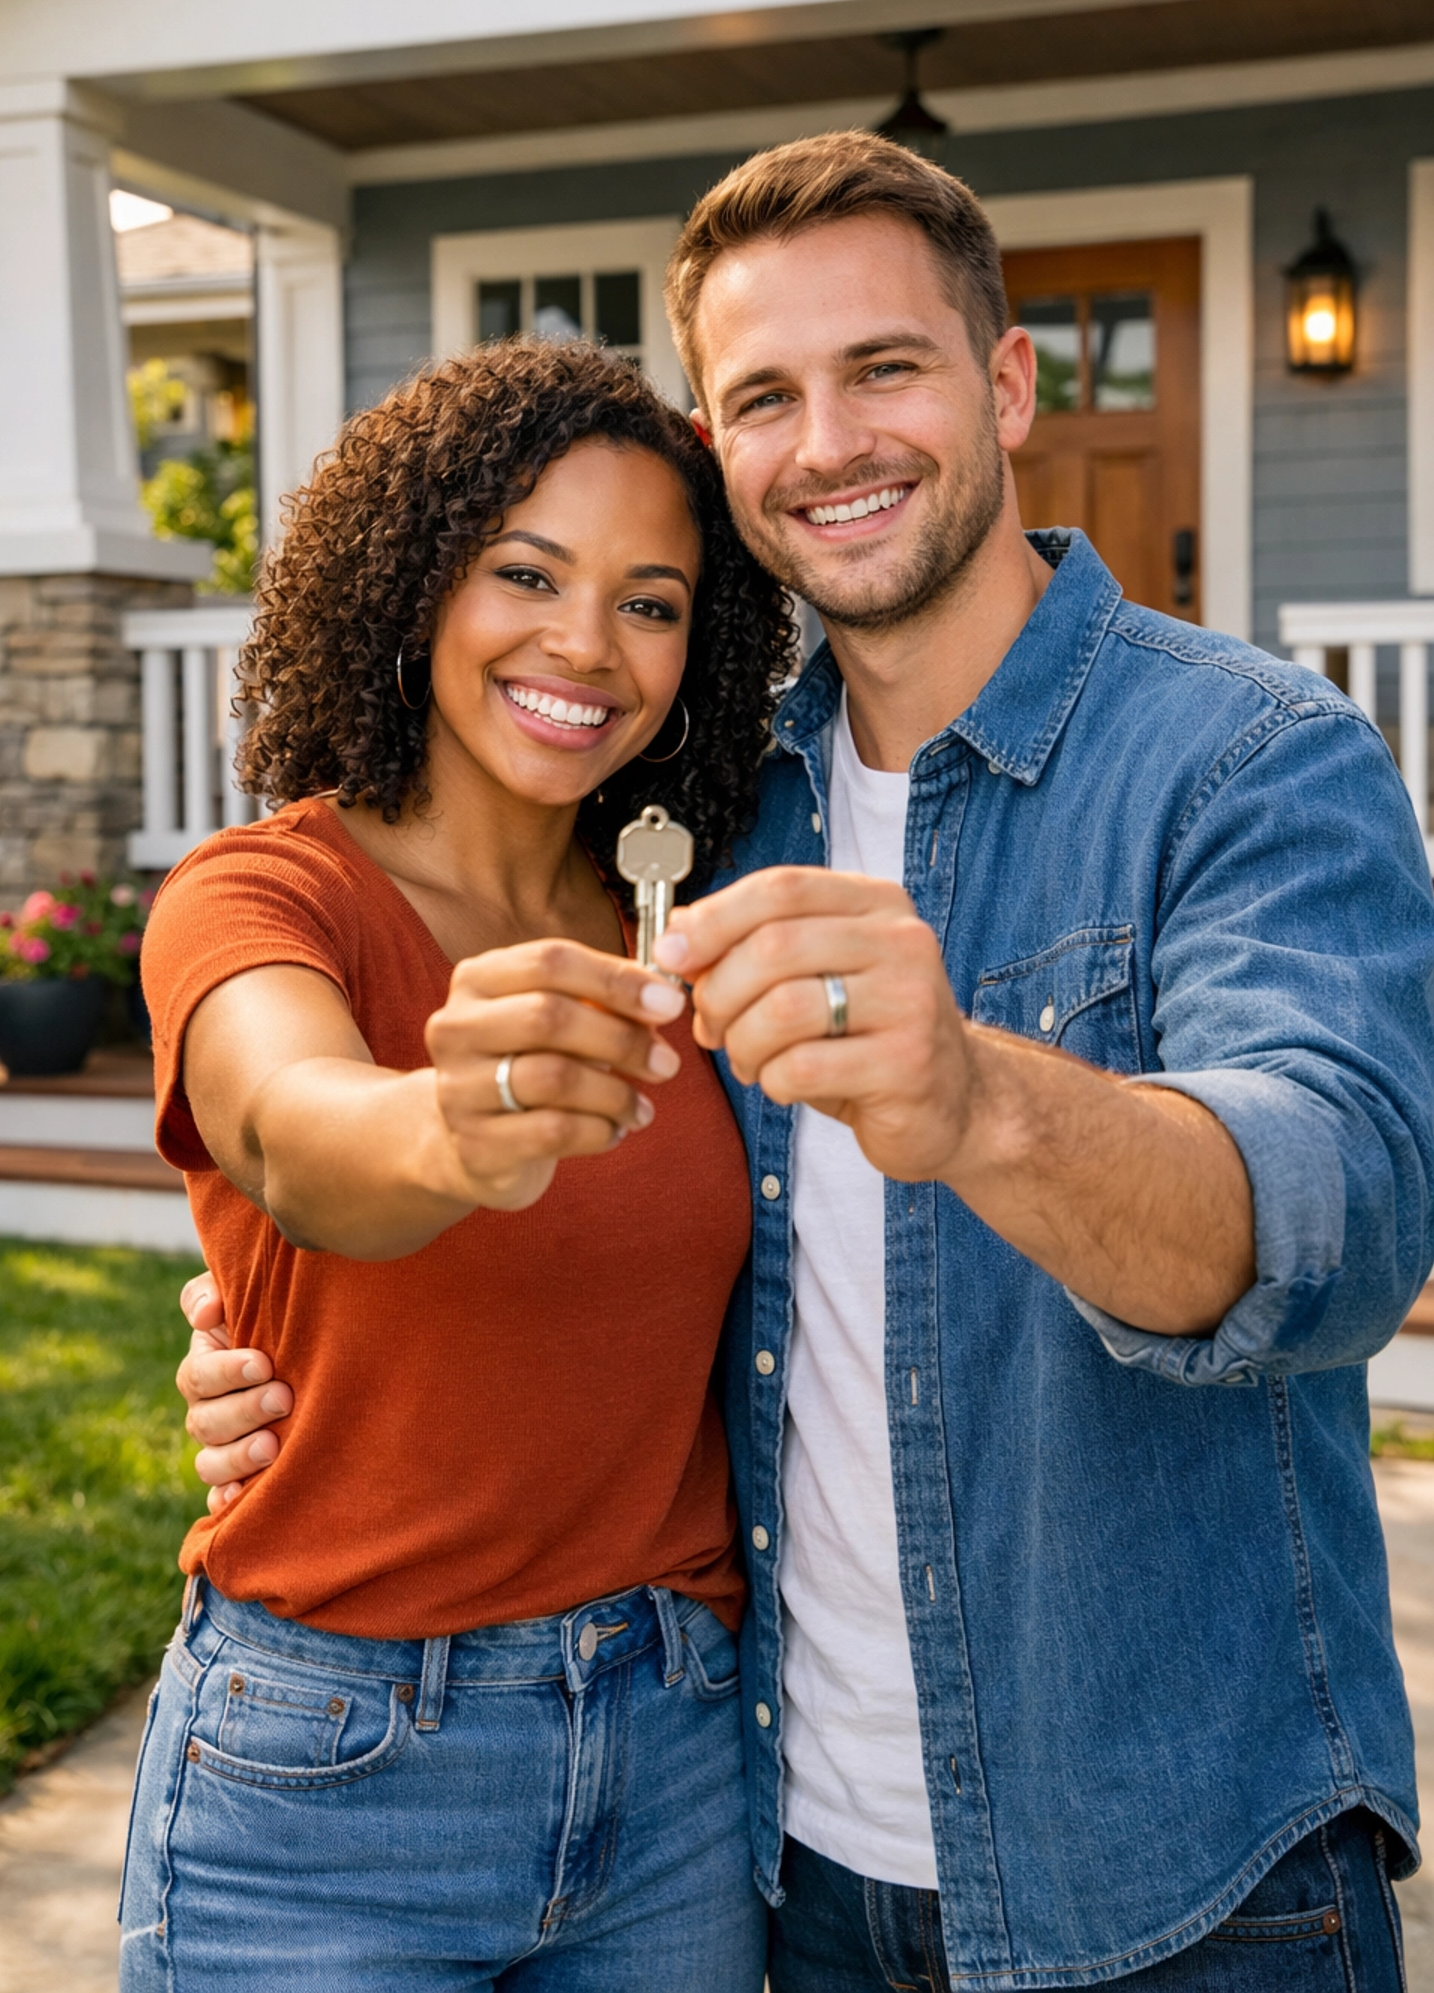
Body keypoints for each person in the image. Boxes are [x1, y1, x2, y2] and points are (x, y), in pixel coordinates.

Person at [178, 133, 1434, 1990]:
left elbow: (1344, 1215)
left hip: (1177, 1874)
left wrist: (981, 1098)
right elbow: (449, 1180)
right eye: (764, 394)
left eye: (887, 368)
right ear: (719, 444)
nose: (828, 440)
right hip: (775, 1859)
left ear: (1007, 385)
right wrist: (284, 1326)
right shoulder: (698, 816)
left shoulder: (1243, 761)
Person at [118, 336, 793, 1992]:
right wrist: (450, 1124)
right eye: (526, 573)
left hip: (676, 1758)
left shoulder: (697, 920)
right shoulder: (259, 898)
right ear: (416, 583)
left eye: (650, 600)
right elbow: (294, 1131)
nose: (586, 643)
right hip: (330, 1770)